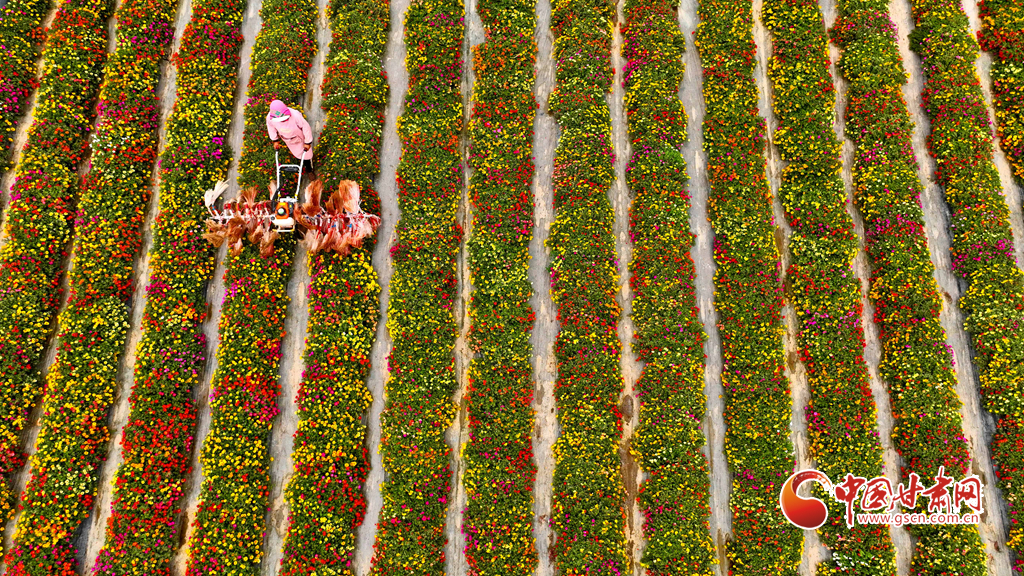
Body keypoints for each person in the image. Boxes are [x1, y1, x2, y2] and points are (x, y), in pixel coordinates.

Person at [266, 99, 314, 176]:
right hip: (287, 139)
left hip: (299, 138)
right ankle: (300, 161)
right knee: (297, 153)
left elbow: (306, 127)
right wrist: (275, 140)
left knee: (306, 155)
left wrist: (307, 142)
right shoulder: (270, 118)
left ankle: (309, 169)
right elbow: (271, 128)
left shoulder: (295, 115)